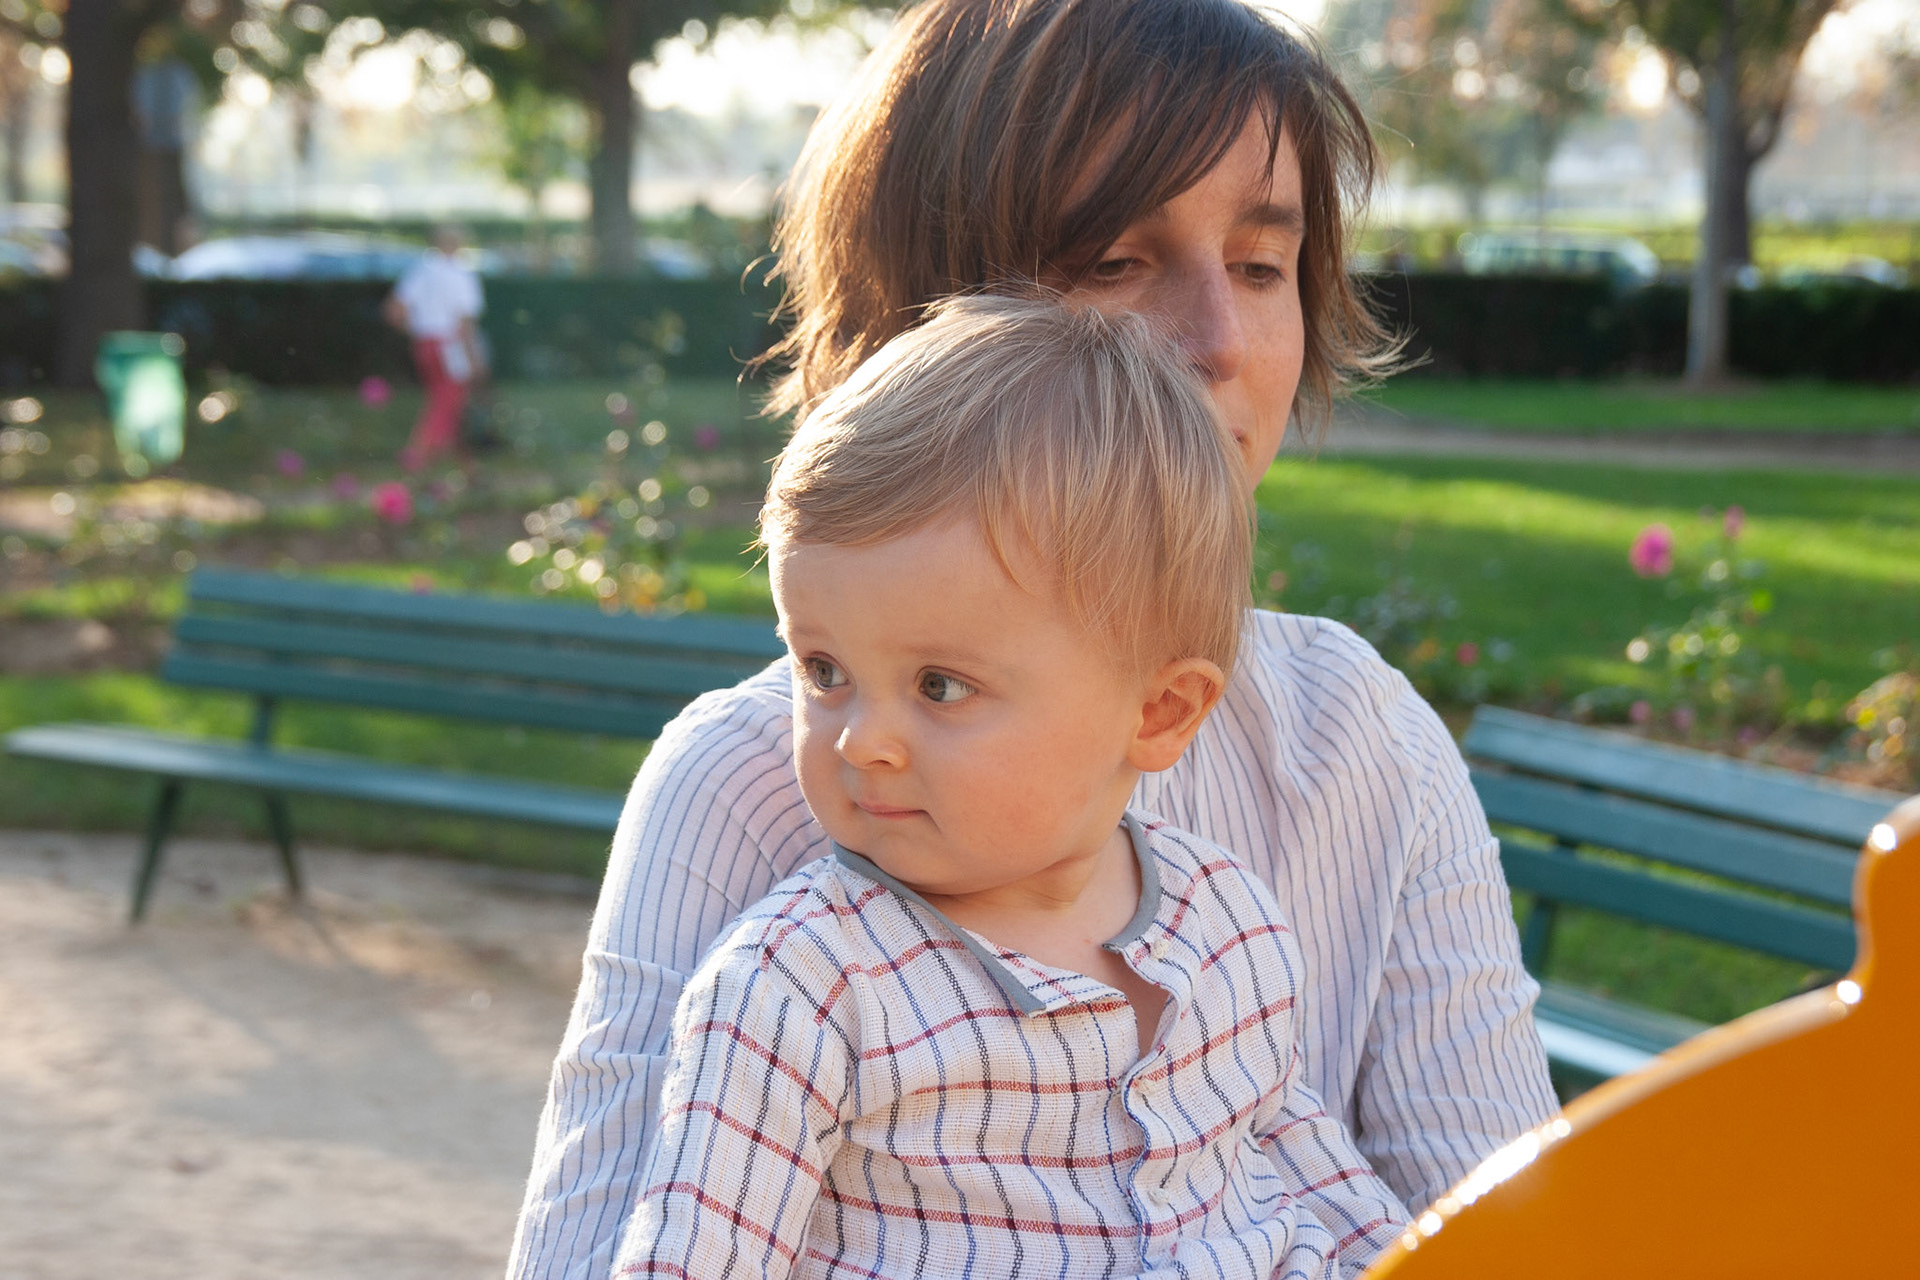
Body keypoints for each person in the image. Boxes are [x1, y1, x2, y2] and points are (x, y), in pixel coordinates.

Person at [509, 2, 1557, 1276]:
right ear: (924, 318)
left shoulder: (1354, 739)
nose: (1219, 343)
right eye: (1113, 260)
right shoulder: (751, 794)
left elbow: (1513, 1240)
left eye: (1259, 265)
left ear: (1167, 709)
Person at [619, 293, 1409, 1279]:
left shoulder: (1227, 922)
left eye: (939, 686)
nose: (862, 741)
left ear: (1159, 712)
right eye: (823, 670)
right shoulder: (804, 988)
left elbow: (1300, 1155)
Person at [384, 225, 484, 471]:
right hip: (450, 345)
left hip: (424, 344)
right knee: (447, 402)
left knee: (443, 400)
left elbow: (394, 311)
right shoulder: (462, 274)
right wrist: (473, 357)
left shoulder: (420, 271)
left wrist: (418, 329)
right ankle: (417, 458)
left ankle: (462, 463)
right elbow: (465, 322)